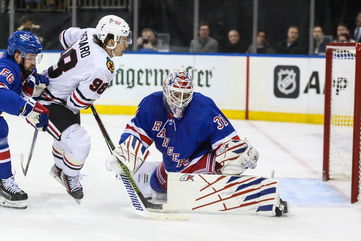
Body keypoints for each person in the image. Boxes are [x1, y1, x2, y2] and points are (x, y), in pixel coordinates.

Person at [106, 69, 258, 193]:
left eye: (185, 95)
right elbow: (137, 135)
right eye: (176, 94)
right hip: (173, 165)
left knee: (229, 163)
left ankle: (222, 187)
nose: (180, 100)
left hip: (202, 159)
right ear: (166, 90)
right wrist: (125, 155)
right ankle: (157, 170)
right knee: (156, 185)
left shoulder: (204, 108)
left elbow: (227, 140)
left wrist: (238, 154)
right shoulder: (151, 104)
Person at [39, 15, 131, 202]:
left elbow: (64, 36)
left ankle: (59, 168)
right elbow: (76, 103)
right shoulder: (104, 67)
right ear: (111, 41)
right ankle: (69, 175)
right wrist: (87, 95)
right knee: (80, 141)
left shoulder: (89, 34)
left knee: (66, 137)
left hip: (42, 86)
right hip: (47, 102)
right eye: (123, 40)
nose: (127, 44)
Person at [0, 31, 49, 209]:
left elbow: (19, 93)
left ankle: (3, 179)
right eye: (30, 57)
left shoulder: (22, 68)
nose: (33, 62)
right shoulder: (7, 68)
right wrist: (30, 111)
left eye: (36, 57)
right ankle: (4, 181)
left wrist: (34, 84)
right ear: (17, 55)